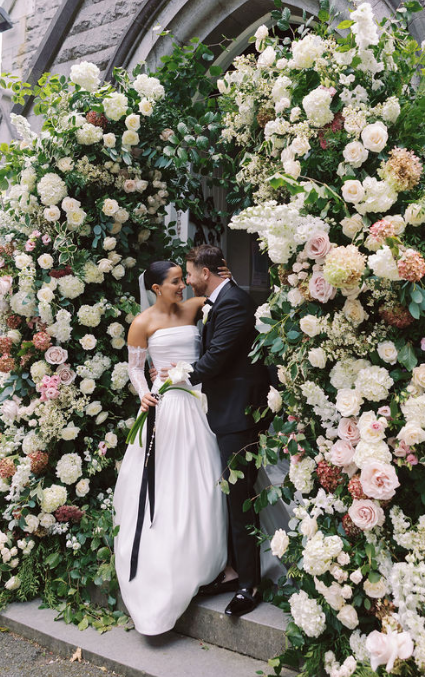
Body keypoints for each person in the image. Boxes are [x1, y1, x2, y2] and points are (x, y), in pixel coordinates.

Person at [113, 260, 227, 636]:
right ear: (157, 287)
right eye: (176, 281)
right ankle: (168, 564)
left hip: (199, 402)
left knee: (204, 477)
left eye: (184, 279)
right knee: (168, 482)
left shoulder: (195, 307)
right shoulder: (142, 323)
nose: (183, 285)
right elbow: (134, 368)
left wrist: (224, 277)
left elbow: (223, 303)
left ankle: (208, 558)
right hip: (166, 408)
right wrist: (145, 394)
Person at [181, 244, 270, 617]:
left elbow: (216, 358)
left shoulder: (233, 302)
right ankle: (233, 570)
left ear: (205, 272)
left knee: (240, 497)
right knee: (230, 495)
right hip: (224, 411)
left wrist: (177, 376)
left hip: (239, 414)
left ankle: (250, 585)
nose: (186, 280)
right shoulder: (221, 299)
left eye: (189, 273)